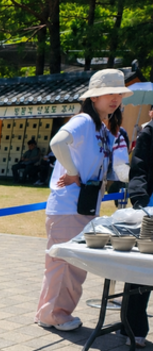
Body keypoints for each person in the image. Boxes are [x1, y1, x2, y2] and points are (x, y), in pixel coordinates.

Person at [35, 69, 131, 331]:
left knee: (73, 265)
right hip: (68, 206)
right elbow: (58, 143)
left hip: (85, 205)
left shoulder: (103, 128)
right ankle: (52, 315)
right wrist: (73, 173)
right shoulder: (84, 121)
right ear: (94, 97)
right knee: (62, 263)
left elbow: (114, 168)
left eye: (118, 94)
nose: (114, 99)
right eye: (107, 93)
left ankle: (56, 313)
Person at [124, 106, 153, 348]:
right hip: (150, 209)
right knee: (141, 272)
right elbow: (139, 169)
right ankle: (133, 326)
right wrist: (140, 201)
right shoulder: (148, 133)